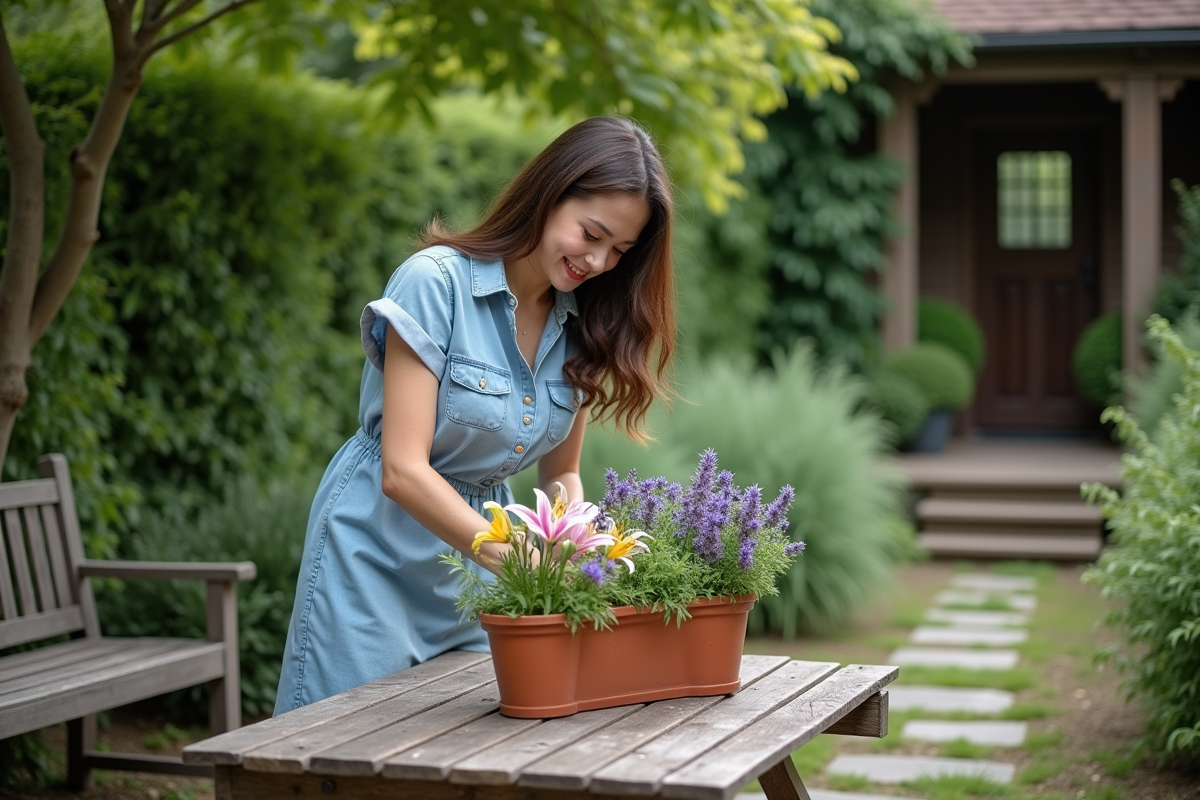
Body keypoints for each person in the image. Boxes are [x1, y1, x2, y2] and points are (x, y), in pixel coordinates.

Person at [274, 116, 676, 713]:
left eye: (618, 250)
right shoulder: (435, 283)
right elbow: (402, 470)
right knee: (341, 752)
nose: (596, 262)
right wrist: (518, 558)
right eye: (591, 233)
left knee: (473, 751)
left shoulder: (584, 324)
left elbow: (560, 476)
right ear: (550, 193)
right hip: (374, 557)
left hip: (479, 567)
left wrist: (573, 555)